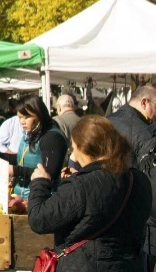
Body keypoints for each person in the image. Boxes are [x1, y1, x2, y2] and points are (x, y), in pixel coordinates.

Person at [27, 115, 151, 272]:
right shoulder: (140, 180)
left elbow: (39, 219)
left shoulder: (82, 185)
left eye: (74, 147)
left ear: (83, 148)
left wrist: (40, 183)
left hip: (85, 265)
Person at [107, 85, 156, 270]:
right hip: (136, 220)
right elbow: (150, 183)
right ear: (144, 102)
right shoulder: (144, 133)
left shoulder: (107, 121)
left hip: (106, 210)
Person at [0, 95, 67, 199]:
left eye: (26, 117)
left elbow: (49, 173)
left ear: (39, 114)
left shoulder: (52, 138)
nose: (22, 122)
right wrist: (1, 156)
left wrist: (14, 170)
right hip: (23, 197)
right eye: (19, 117)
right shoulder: (32, 133)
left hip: (42, 199)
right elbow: (24, 159)